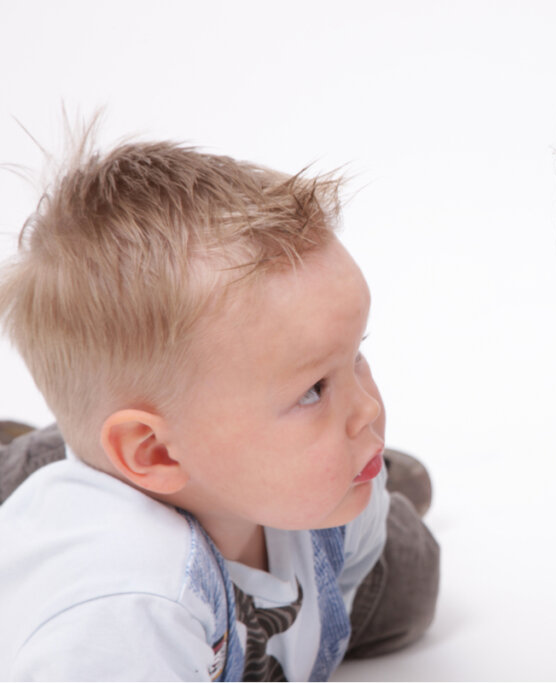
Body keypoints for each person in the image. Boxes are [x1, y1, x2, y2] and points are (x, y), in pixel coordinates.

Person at [0, 140, 439, 680]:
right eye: (313, 390)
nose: (368, 407)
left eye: (357, 356)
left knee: (411, 586)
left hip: (283, 507)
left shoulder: (334, 500)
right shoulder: (123, 609)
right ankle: (35, 459)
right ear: (155, 450)